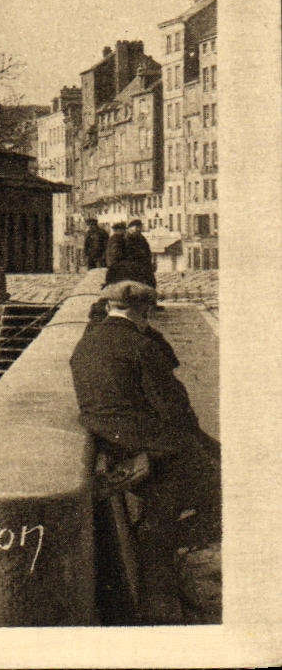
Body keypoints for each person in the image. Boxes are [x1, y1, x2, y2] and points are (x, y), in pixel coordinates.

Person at [69, 280, 220, 622]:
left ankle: (166, 553)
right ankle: (171, 578)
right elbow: (174, 410)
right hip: (146, 443)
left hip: (108, 437)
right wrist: (198, 442)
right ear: (143, 310)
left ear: (108, 308)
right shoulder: (141, 345)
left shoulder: (85, 344)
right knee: (220, 482)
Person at [105, 219, 156, 287]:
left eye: (140, 227)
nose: (138, 229)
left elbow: (147, 250)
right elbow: (125, 253)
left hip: (143, 264)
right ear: (130, 228)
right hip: (132, 264)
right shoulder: (125, 237)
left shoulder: (141, 237)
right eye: (136, 227)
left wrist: (149, 262)